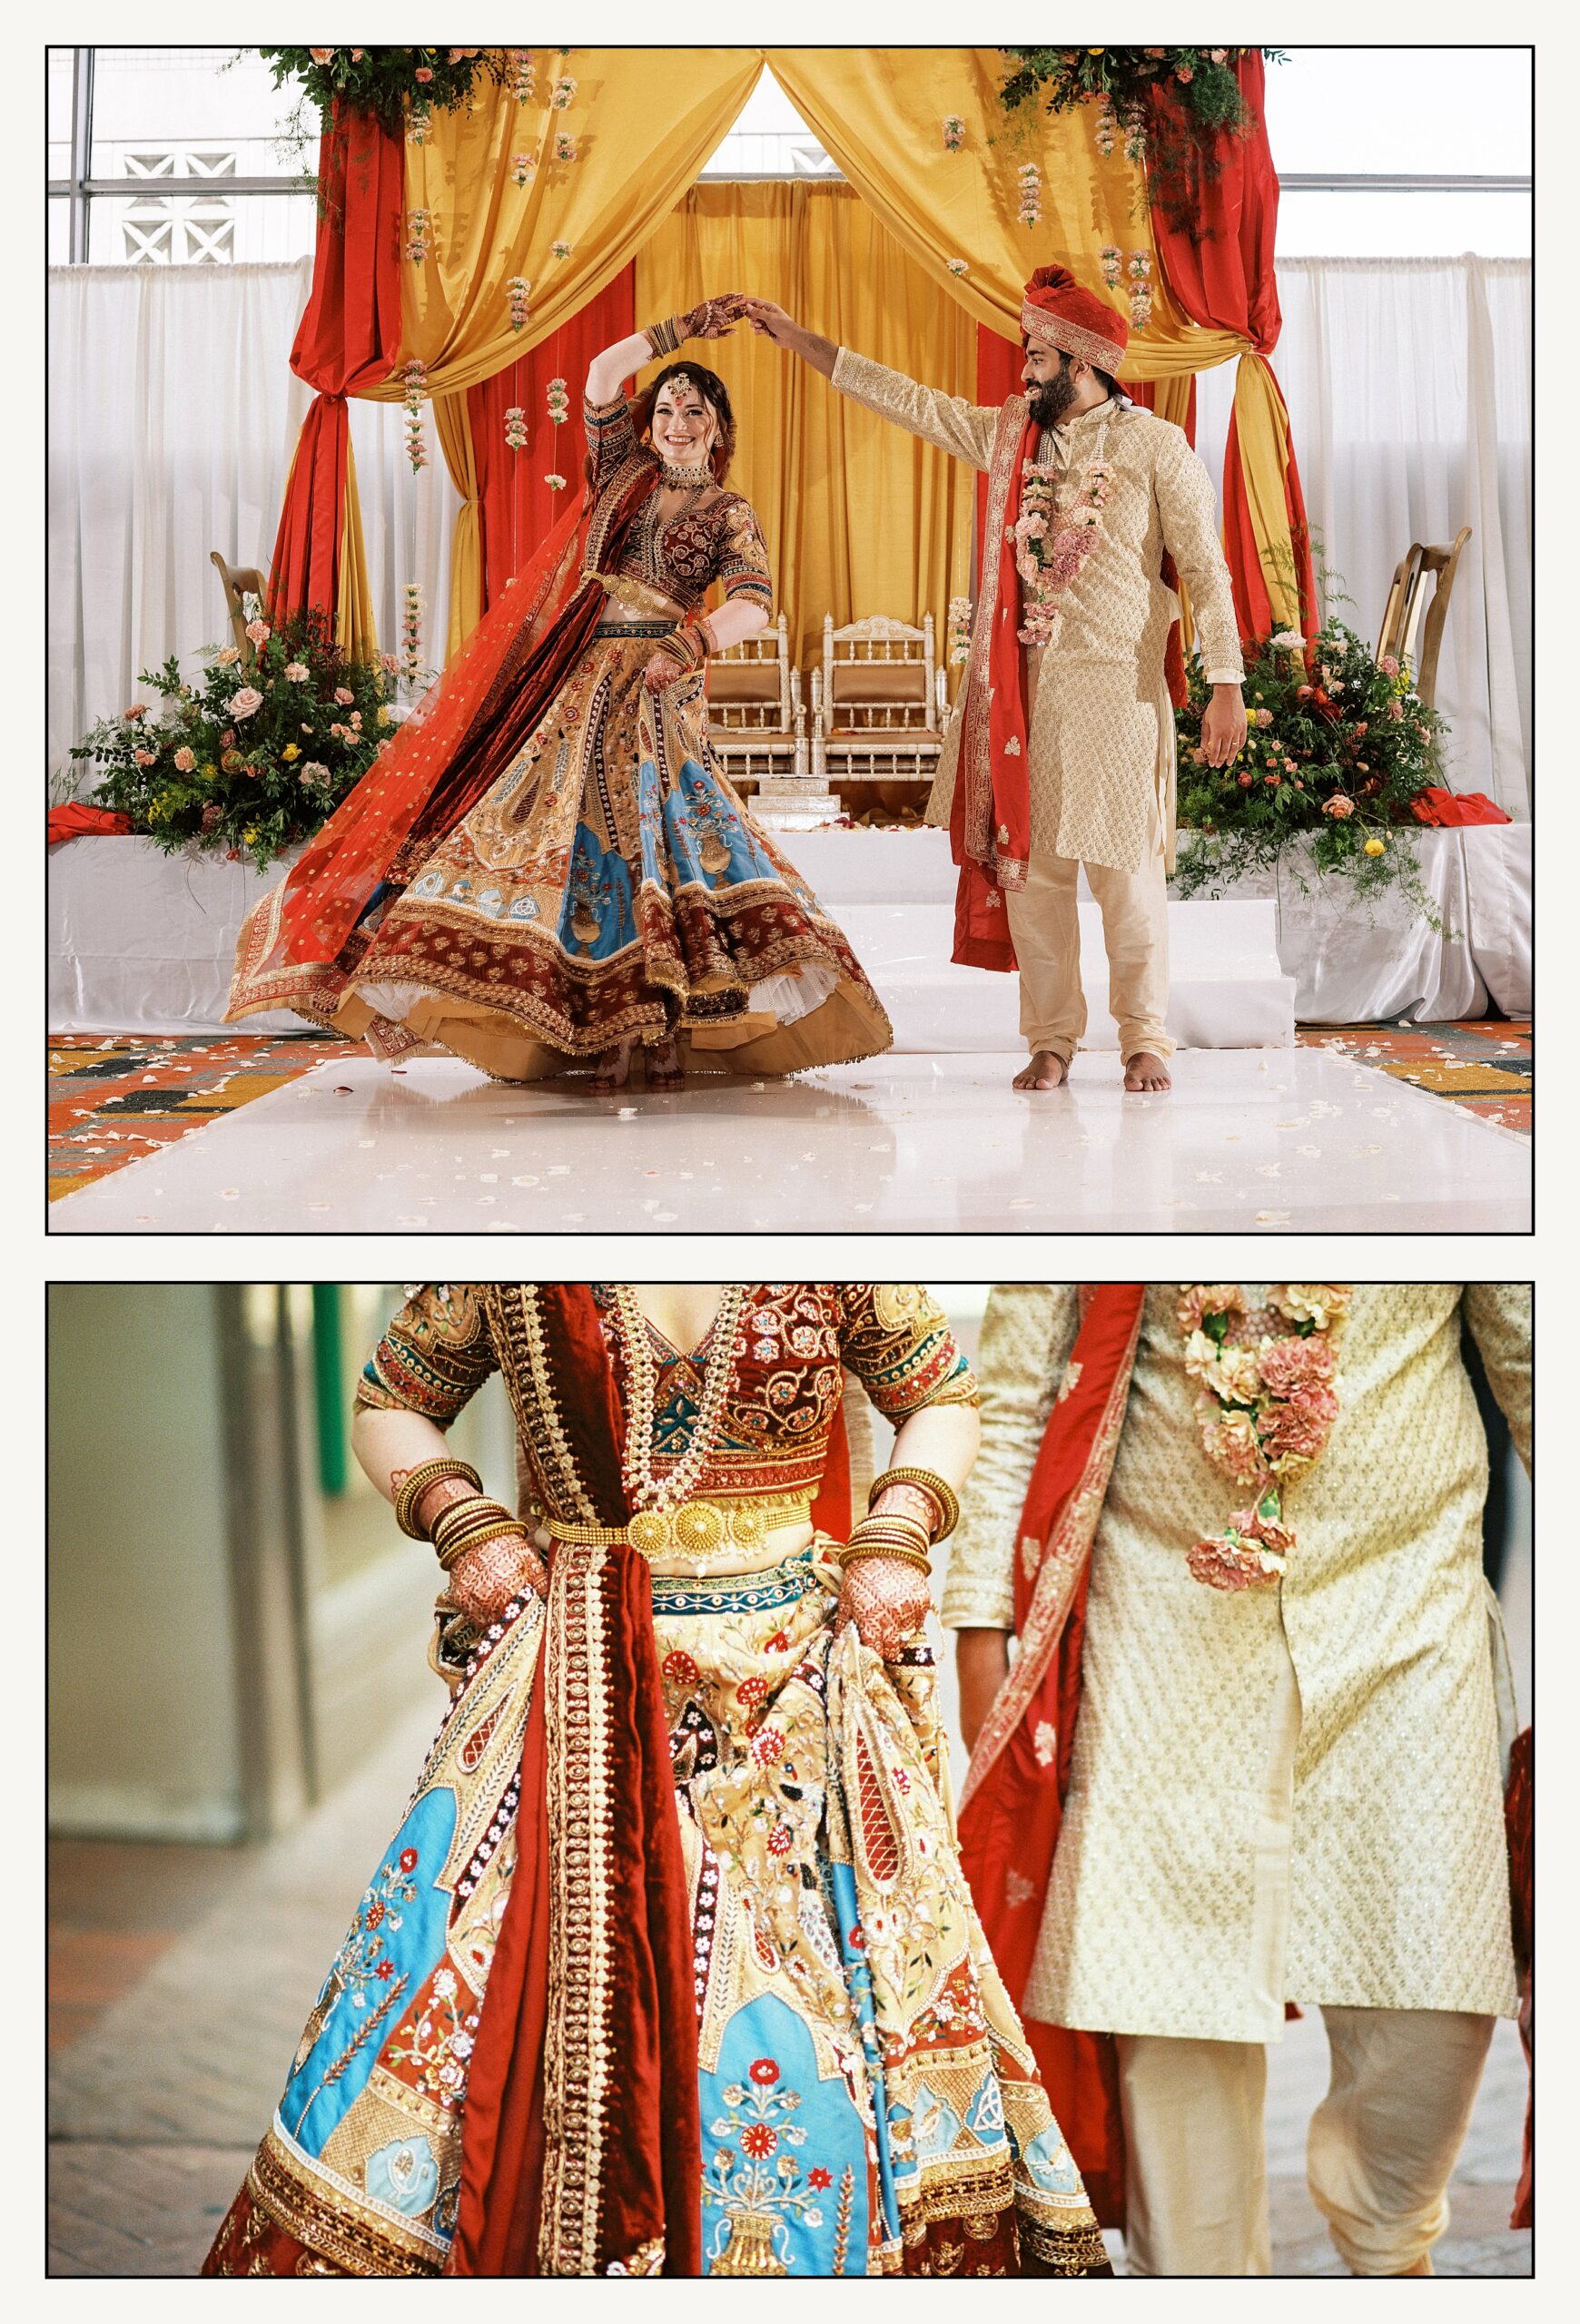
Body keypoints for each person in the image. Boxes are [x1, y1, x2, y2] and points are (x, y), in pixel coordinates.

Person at [202, 1284, 1109, 2279]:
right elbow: (389, 1397)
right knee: (462, 1997)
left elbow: (936, 1387)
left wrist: (896, 1531)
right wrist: (468, 1525)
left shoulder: (813, 1218)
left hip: (792, 1684)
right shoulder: (524, 1231)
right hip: (581, 1672)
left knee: (834, 2024)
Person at [943, 1283, 1531, 2277]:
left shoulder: (1443, 1145)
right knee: (1173, 2008)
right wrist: (980, 1622)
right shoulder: (1103, 1135)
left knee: (1431, 1995)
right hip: (1163, 1610)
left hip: (1406, 1610)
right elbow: (1013, 1390)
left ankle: (1395, 2254)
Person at [226, 301, 892, 1091]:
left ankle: (666, 1024)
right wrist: (684, 328)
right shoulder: (620, 472)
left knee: (664, 845)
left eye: (695, 412)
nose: (678, 423)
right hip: (578, 684)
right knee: (560, 844)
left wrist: (691, 643)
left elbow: (755, 601)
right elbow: (604, 372)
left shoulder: (728, 511)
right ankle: (585, 1024)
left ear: (719, 430)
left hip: (661, 691)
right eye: (668, 408)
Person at [744, 270, 1248, 1094]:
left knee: (1127, 880)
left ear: (1083, 361)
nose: (1027, 371)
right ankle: (1050, 1038)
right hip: (1026, 697)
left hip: (1117, 699)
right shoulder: (1014, 435)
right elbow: (914, 403)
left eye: (1040, 357)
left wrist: (1225, 683)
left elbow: (1205, 568)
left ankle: (1144, 1038)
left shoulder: (1156, 446)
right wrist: (805, 345)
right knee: (1035, 880)